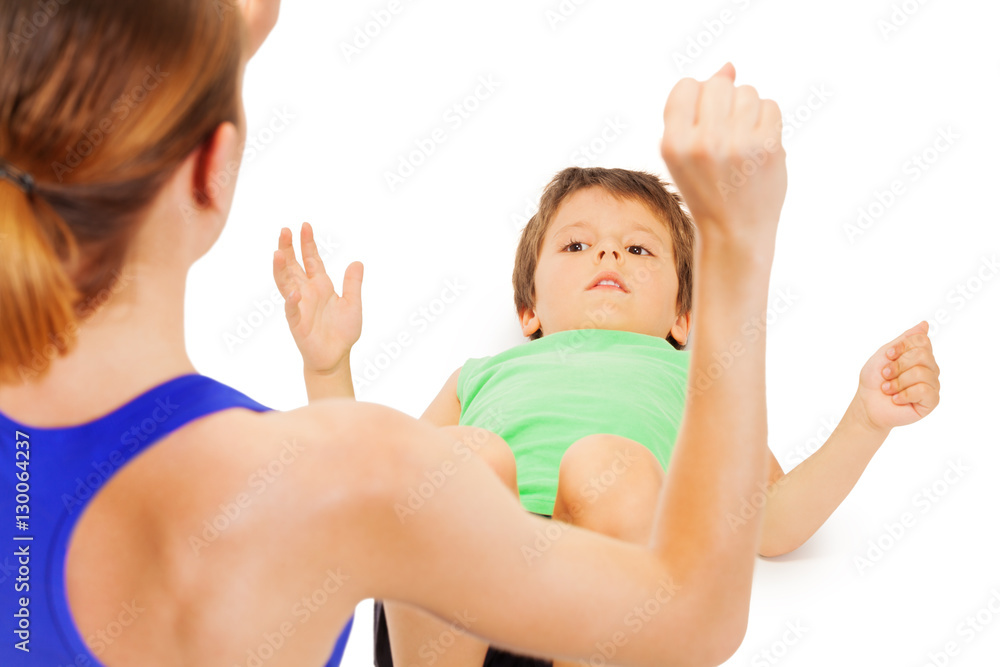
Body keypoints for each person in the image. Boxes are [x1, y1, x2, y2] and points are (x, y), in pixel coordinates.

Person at [2, 1, 789, 665]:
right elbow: (692, 611)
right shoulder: (345, 476)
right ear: (213, 168)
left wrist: (180, 52)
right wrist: (735, 242)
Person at [279, 164, 941, 666]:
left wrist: (866, 418)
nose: (607, 256)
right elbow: (372, 495)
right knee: (466, 457)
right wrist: (328, 366)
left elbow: (772, 520)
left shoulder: (700, 381)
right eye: (576, 246)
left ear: (684, 317)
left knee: (611, 467)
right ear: (529, 309)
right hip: (461, 615)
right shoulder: (481, 374)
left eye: (639, 249)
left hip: (610, 608)